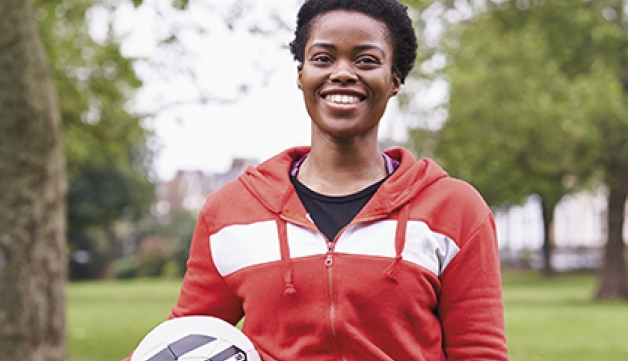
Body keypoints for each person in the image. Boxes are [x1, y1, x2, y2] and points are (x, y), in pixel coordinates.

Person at [125, 0, 508, 360]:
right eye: (323, 58)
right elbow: (181, 339)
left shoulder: (455, 209)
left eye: (366, 60)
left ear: (395, 79)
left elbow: (479, 351)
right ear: (301, 73)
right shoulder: (229, 212)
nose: (342, 73)